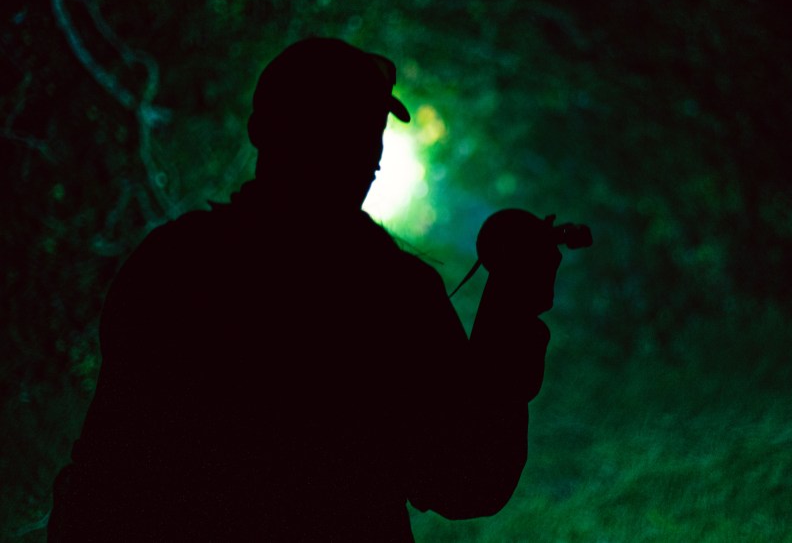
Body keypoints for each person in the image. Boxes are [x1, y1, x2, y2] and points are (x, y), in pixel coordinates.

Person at [48, 37, 562, 541]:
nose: (372, 154)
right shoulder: (390, 294)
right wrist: (510, 308)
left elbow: (105, 468)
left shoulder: (172, 262)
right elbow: (467, 480)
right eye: (361, 129)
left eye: (371, 131)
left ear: (260, 131)